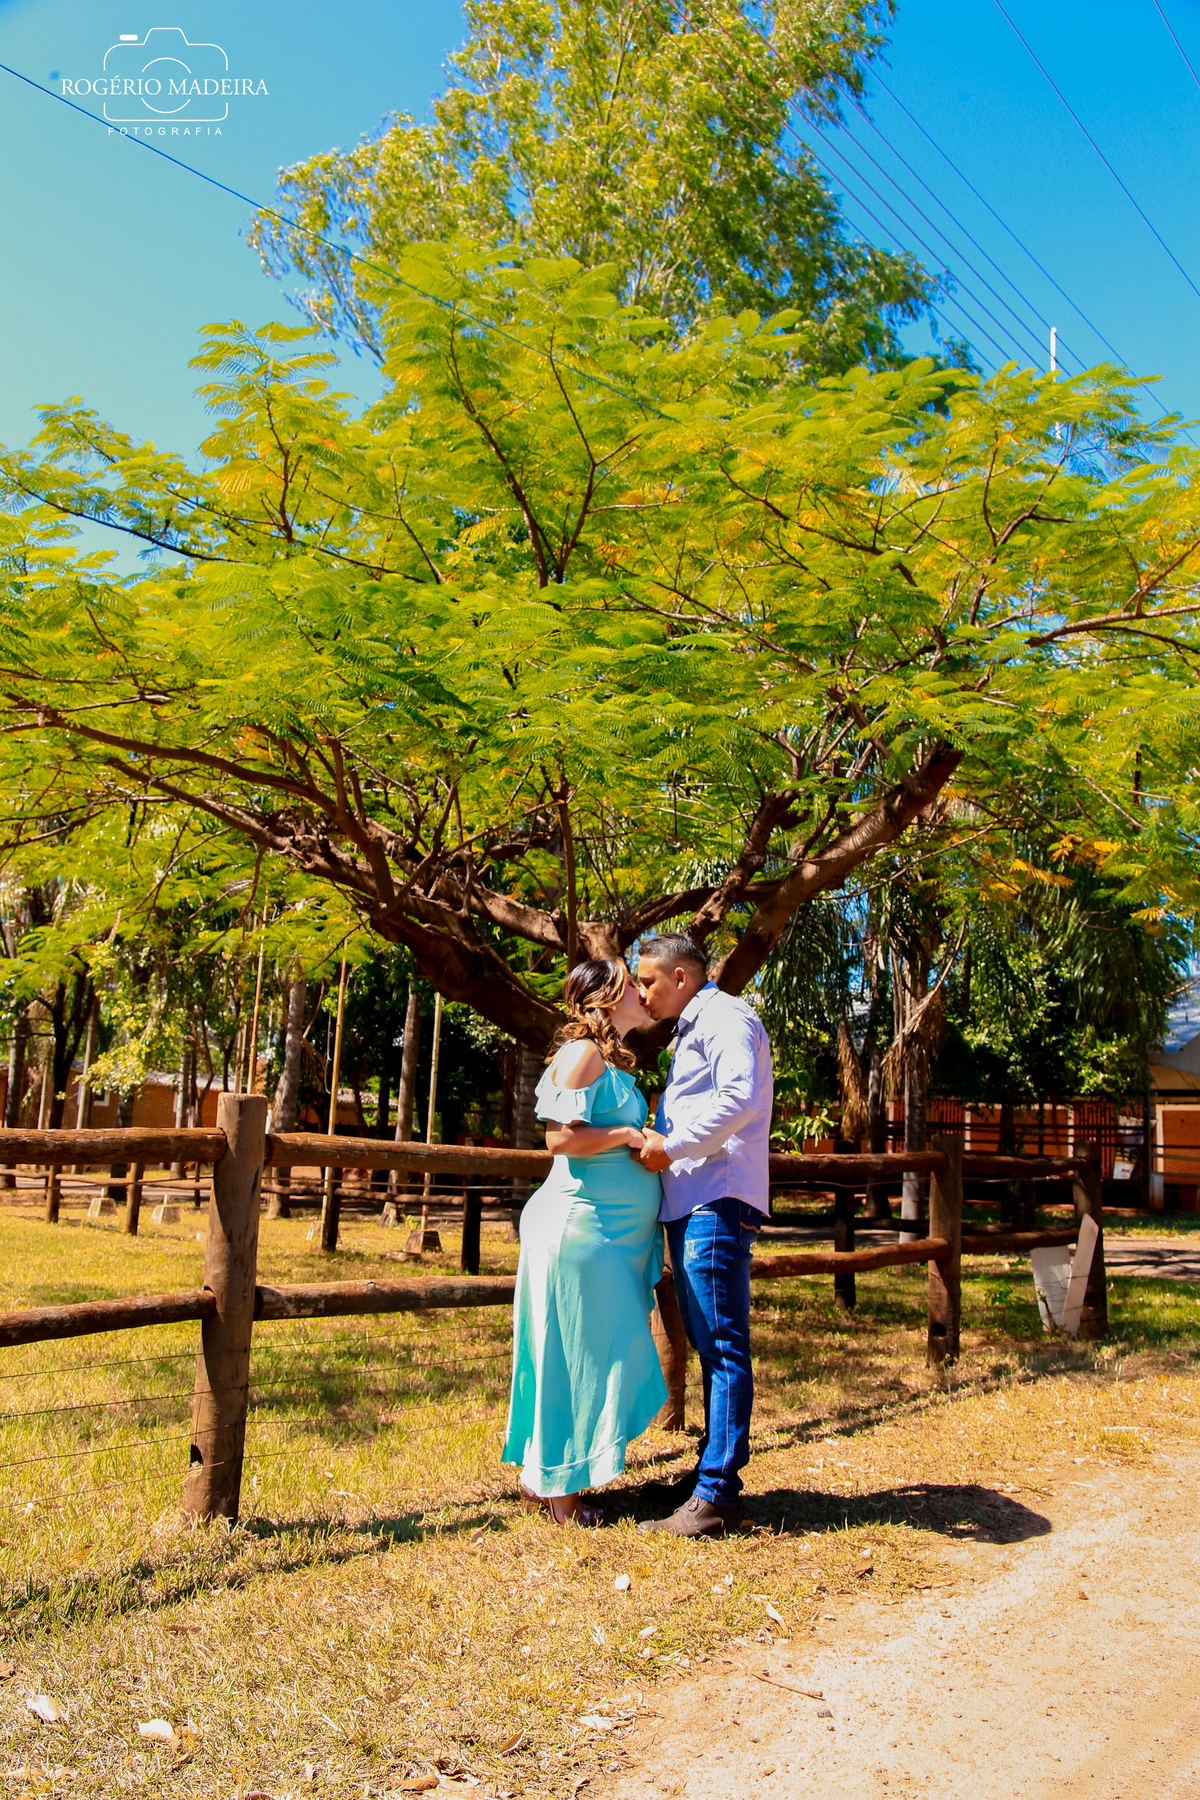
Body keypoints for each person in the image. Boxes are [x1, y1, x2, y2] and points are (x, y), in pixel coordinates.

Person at [502, 957, 668, 1524]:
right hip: (577, 1227)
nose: (643, 992)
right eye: (633, 983)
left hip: (604, 1235)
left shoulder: (608, 1059)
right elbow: (559, 1139)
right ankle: (564, 1501)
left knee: (591, 1350)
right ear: (608, 997)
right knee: (575, 1355)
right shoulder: (583, 1052)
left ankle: (545, 1479)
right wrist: (626, 1133)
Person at [632, 934, 773, 1538]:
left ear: (681, 977)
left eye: (648, 981)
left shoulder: (724, 1017)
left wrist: (672, 1146)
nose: (641, 993)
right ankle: (709, 1478)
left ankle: (717, 1494)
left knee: (721, 1346)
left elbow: (739, 1099)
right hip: (696, 1200)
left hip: (716, 1198)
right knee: (710, 1345)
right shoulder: (696, 1026)